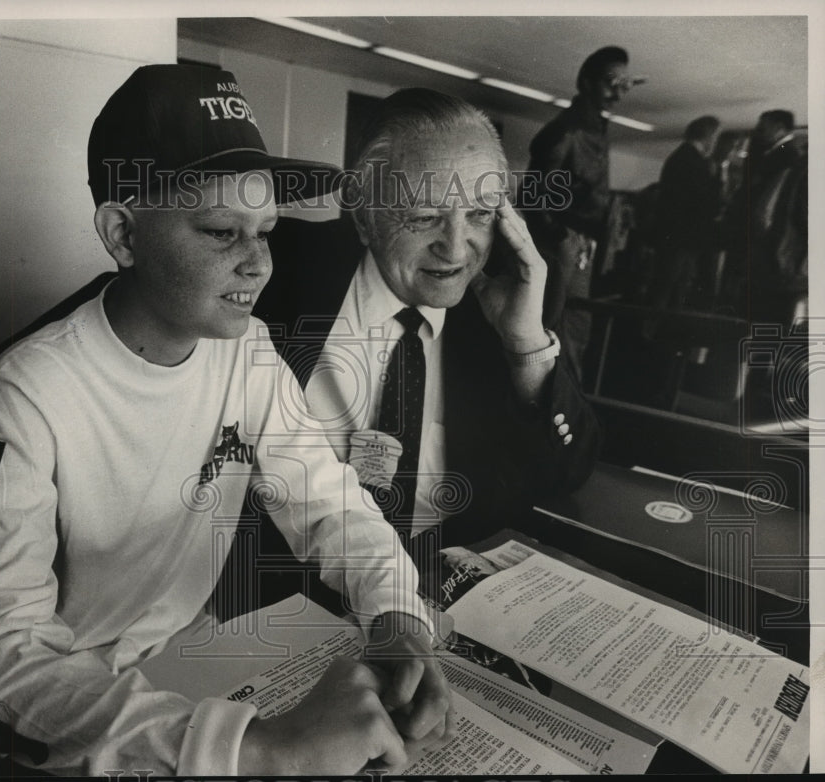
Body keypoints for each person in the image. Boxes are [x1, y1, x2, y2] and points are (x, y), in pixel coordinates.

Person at [0, 65, 452, 777]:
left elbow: (330, 501)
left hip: (195, 660)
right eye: (221, 232)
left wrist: (397, 617)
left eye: (266, 232)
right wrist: (252, 750)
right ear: (123, 233)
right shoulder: (32, 388)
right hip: (73, 709)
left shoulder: (247, 352)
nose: (258, 266)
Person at [241, 88, 599, 584]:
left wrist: (525, 347)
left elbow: (568, 472)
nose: (455, 249)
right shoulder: (271, 268)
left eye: (478, 214)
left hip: (443, 585)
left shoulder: (509, 296)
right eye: (425, 216)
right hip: (287, 592)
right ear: (364, 216)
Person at [525, 46, 637, 381]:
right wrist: (564, 240)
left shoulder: (595, 128)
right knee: (555, 331)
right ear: (586, 83)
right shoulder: (566, 132)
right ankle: (552, 406)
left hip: (582, 244)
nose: (618, 92)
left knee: (575, 329)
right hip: (563, 245)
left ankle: (566, 404)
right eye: (609, 82)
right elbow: (532, 196)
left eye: (624, 84)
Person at [721, 110, 807, 324]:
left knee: (764, 311)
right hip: (771, 247)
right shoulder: (781, 154)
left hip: (772, 246)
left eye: (764, 126)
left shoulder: (789, 156)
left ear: (779, 127)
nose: (759, 131)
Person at [651, 115, 722, 312]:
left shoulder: (678, 157)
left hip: (672, 235)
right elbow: (706, 203)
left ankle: (651, 332)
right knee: (671, 288)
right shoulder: (696, 163)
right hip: (683, 238)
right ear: (709, 136)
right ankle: (656, 332)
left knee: (665, 286)